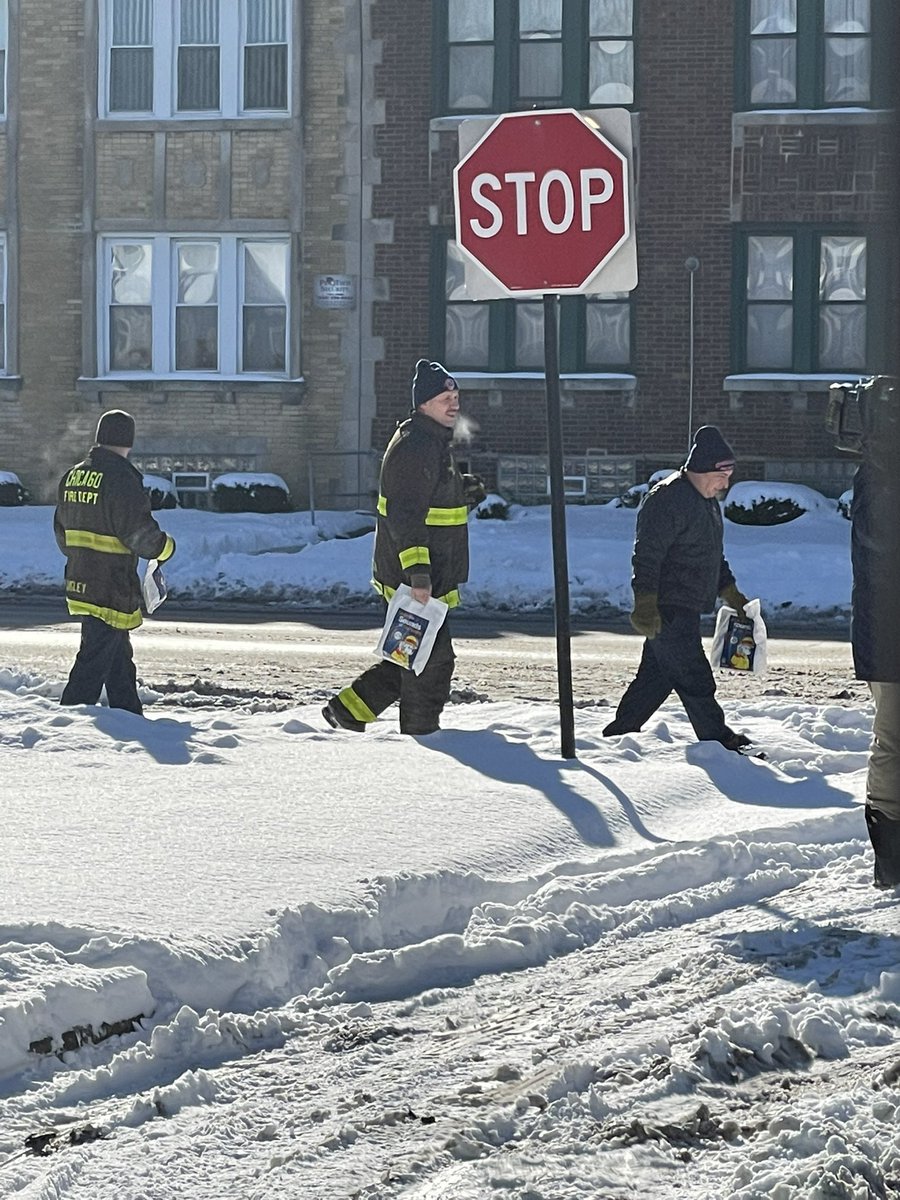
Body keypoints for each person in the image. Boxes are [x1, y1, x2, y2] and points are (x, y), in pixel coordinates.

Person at [323, 359, 483, 735]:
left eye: (456, 395)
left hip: (424, 575)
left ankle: (346, 712)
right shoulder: (416, 446)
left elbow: (428, 501)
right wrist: (419, 575)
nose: (454, 403)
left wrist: (463, 491)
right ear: (424, 403)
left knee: (410, 656)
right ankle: (421, 735)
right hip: (414, 579)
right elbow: (406, 515)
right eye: (445, 397)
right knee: (430, 663)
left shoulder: (430, 441)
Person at [603, 425, 752, 751]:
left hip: (686, 603)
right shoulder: (667, 499)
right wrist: (645, 602)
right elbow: (646, 556)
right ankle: (719, 741)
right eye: (723, 475)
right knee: (694, 676)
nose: (726, 484)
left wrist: (729, 591)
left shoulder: (707, 501)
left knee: (654, 680)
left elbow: (712, 554)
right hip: (666, 607)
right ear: (703, 469)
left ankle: (619, 734)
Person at [54, 409, 175, 716]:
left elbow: (61, 531)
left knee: (117, 654)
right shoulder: (120, 477)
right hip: (111, 584)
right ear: (128, 441)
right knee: (93, 660)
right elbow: (137, 532)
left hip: (82, 578)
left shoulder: (75, 475)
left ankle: (129, 715)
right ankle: (69, 720)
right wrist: (165, 547)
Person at [849, 377, 900, 889]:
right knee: (892, 743)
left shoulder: (875, 475)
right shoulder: (882, 478)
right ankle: (890, 863)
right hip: (888, 639)